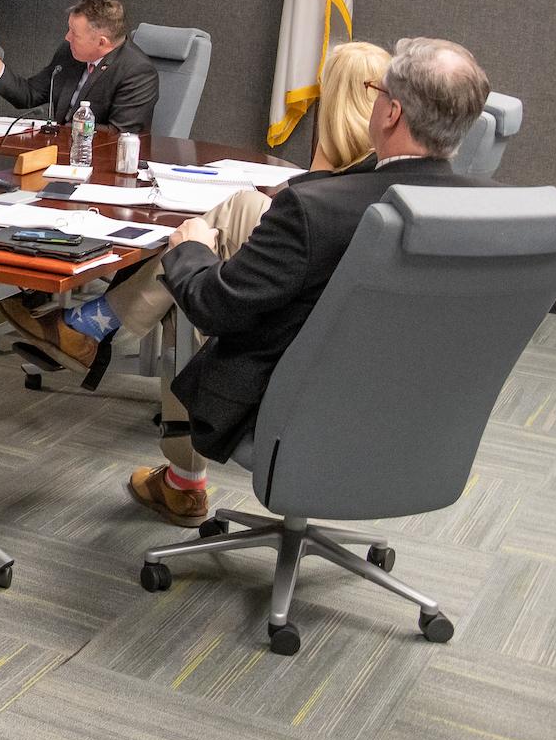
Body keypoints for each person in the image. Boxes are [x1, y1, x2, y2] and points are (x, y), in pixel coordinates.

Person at [45, 38, 489, 527]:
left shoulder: (316, 208)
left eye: (377, 91)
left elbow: (214, 307)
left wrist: (190, 248)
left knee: (190, 295)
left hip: (291, 406)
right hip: (422, 417)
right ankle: (105, 348)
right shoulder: (491, 214)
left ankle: (169, 455)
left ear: (391, 113)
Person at [3, 41, 392, 520]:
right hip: (371, 374)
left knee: (209, 249)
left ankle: (95, 329)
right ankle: (175, 471)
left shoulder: (321, 205)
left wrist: (193, 249)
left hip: (285, 360)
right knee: (186, 280)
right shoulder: (402, 186)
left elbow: (221, 300)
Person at [0, 0, 158, 133]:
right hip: (59, 152)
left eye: (74, 33)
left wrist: (57, 131)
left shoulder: (136, 71)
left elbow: (118, 134)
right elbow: (28, 95)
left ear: (101, 42)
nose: (67, 37)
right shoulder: (69, 53)